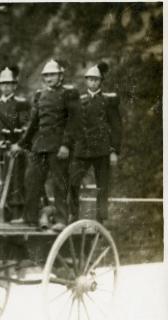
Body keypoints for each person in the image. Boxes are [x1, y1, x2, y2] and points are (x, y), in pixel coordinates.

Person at [13, 59, 81, 232]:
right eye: (46, 75)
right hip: (39, 146)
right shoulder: (39, 95)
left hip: (58, 147)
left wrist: (66, 145)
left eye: (52, 74)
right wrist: (22, 144)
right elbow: (34, 123)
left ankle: (61, 220)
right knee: (31, 180)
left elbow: (73, 122)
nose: (49, 78)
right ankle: (30, 219)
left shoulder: (69, 94)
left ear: (60, 76)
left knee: (60, 183)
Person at [69, 62, 122, 224]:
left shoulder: (108, 101)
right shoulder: (79, 100)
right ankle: (73, 215)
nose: (93, 83)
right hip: (83, 149)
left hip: (102, 149)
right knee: (73, 181)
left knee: (102, 185)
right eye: (90, 80)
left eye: (96, 80)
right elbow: (73, 126)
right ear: (86, 81)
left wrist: (114, 151)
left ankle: (101, 218)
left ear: (100, 82)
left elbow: (116, 127)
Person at [0, 66, 30, 221]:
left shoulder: (21, 104)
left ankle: (17, 212)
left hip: (15, 149)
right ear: (0, 85)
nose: (6, 87)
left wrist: (19, 145)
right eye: (3, 84)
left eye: (9, 84)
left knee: (16, 180)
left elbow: (25, 127)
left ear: (14, 85)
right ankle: (1, 212)